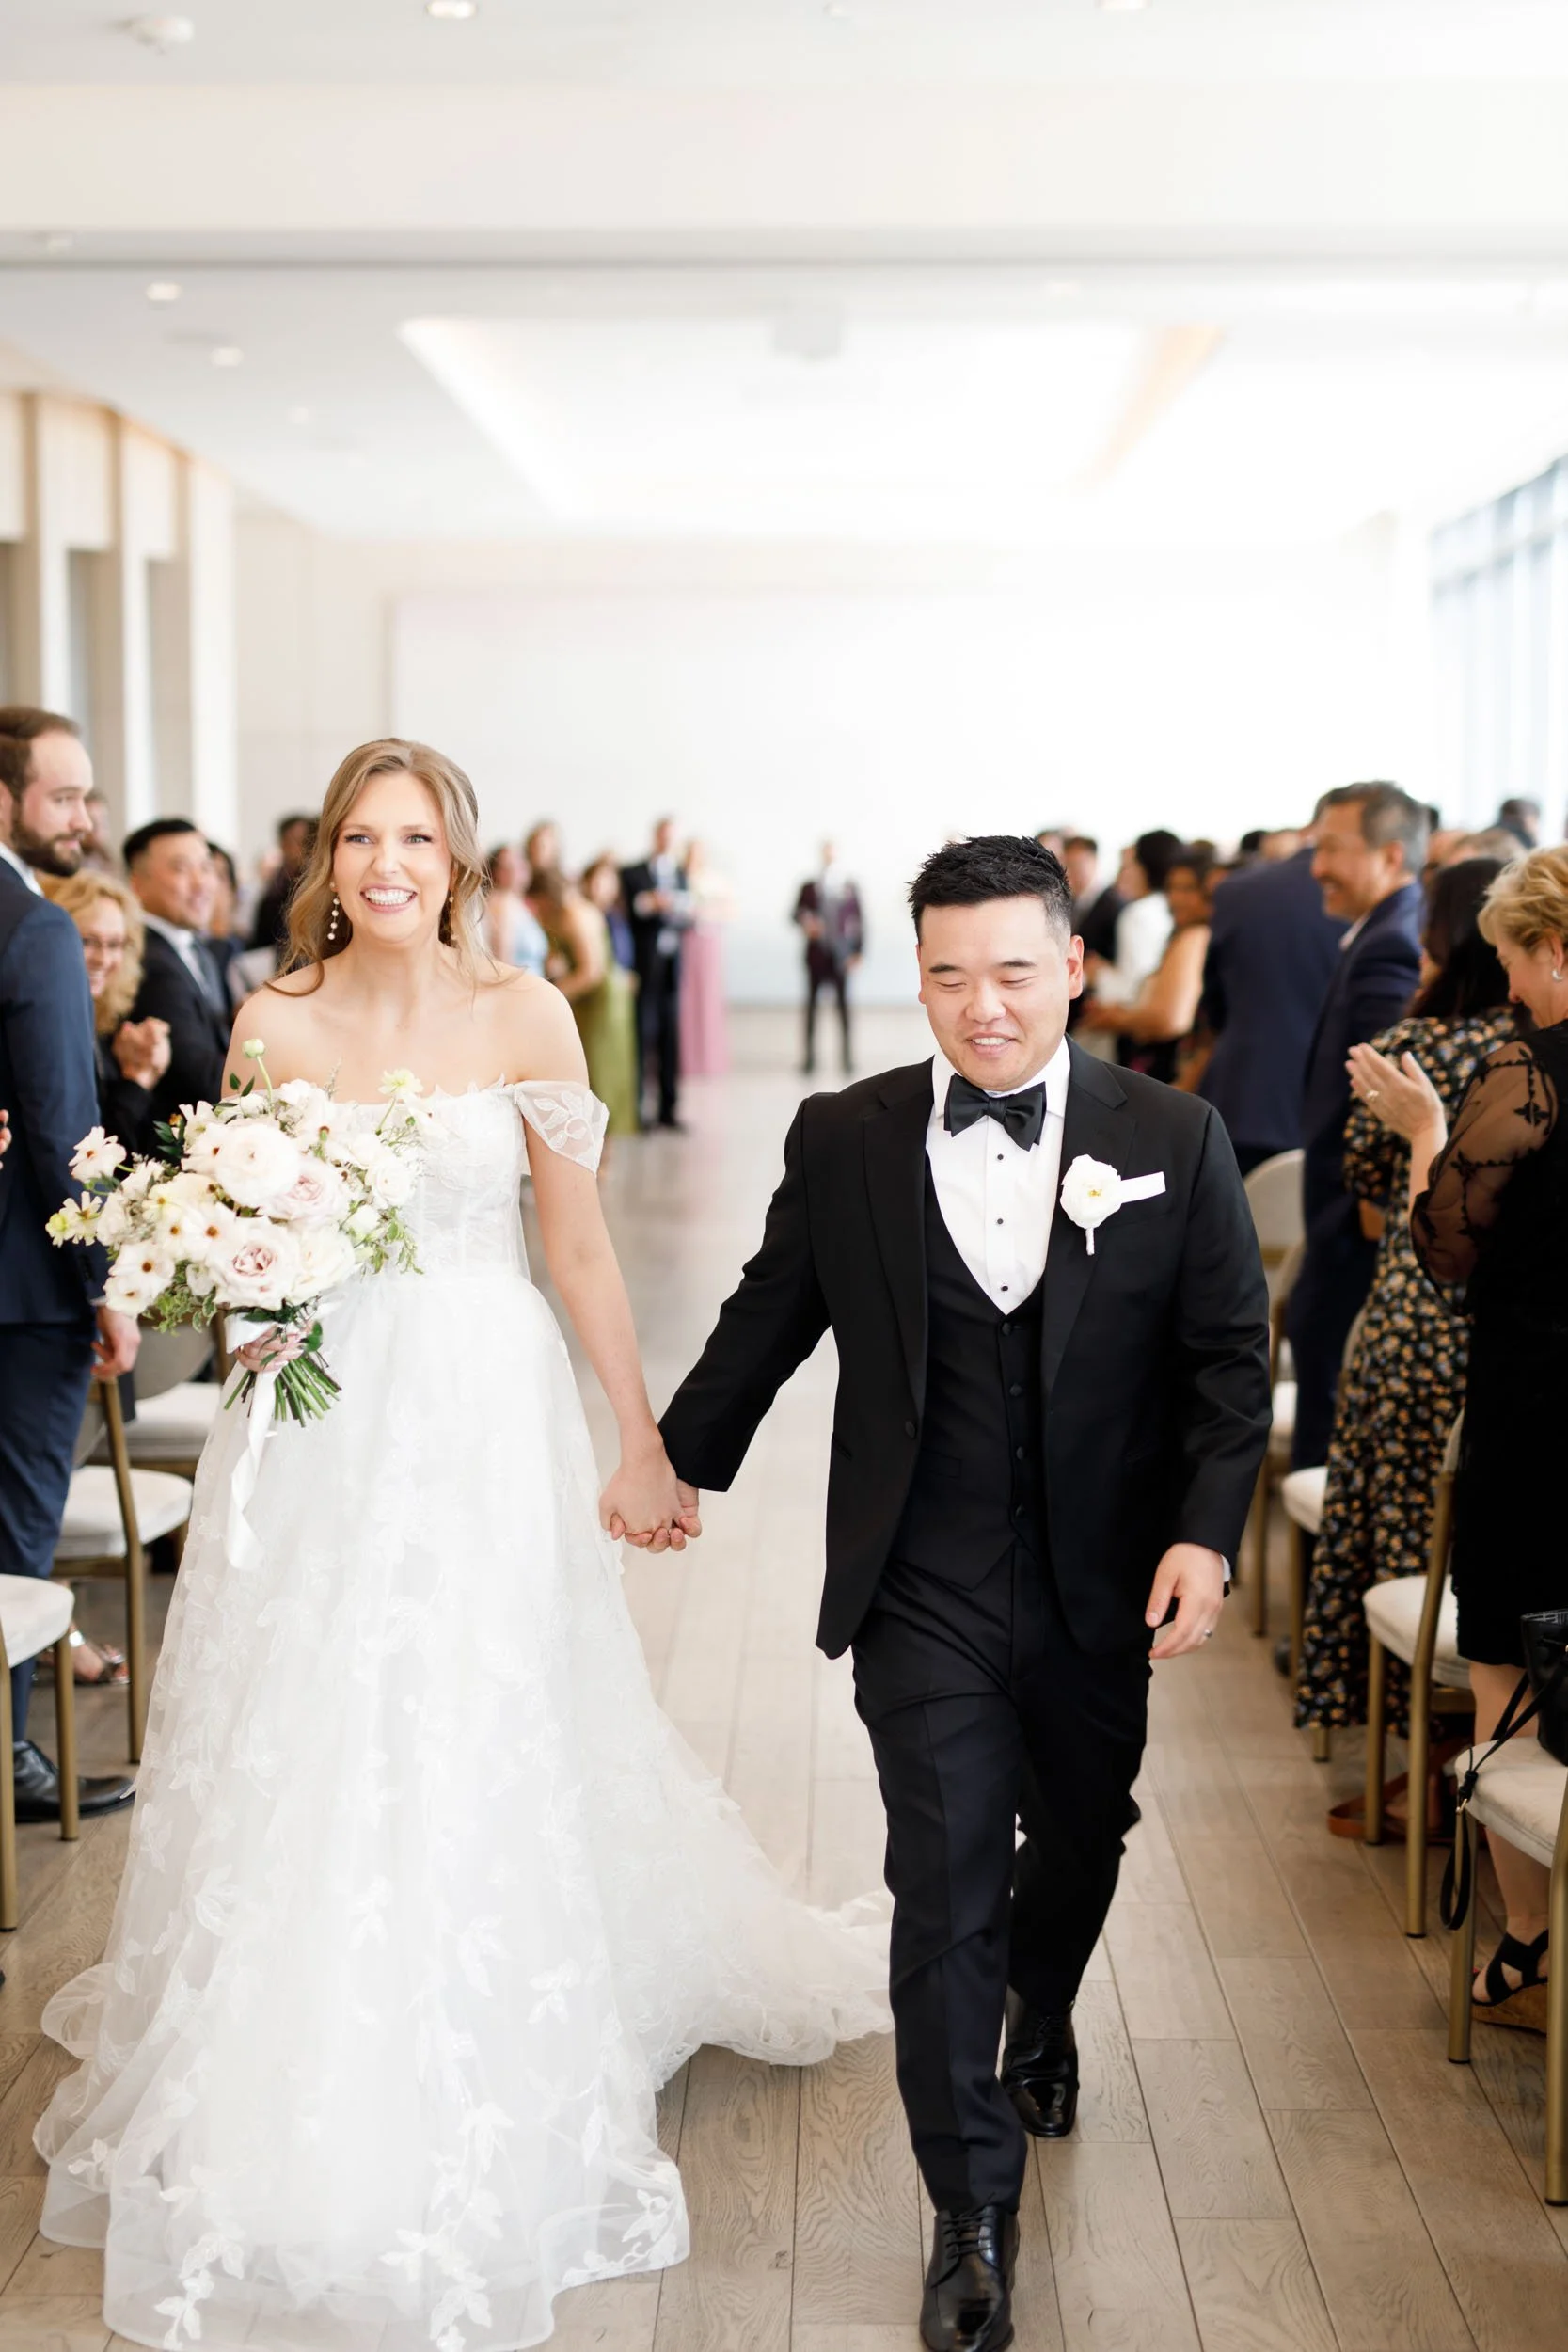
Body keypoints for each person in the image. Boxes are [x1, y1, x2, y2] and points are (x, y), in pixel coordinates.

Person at [34, 737, 887, 2351]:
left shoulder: (523, 1013)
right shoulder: (270, 1020)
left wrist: (641, 1435)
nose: (386, 865)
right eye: (361, 836)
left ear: (460, 856)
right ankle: (295, 2041)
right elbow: (240, 1228)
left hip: (484, 1409)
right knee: (311, 1714)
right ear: (327, 860)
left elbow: (572, 1247)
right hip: (315, 1415)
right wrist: (226, 1287)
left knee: (476, 1701)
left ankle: (486, 2009)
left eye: (414, 837)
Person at [659, 834, 1270, 2352]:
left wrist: (1203, 1534)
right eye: (949, 976)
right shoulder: (846, 1135)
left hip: (1098, 1585)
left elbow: (1222, 1364)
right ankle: (970, 2214)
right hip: (918, 1578)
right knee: (940, 1881)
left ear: (1073, 967)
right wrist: (671, 1463)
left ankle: (1043, 2007)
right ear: (911, 976)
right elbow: (766, 1318)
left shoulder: (1173, 1136)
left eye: (1013, 972)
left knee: (1078, 1838)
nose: (982, 1007)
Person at [1348, 844, 1568, 2028]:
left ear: (1552, 950)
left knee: (1503, 1673)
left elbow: (1443, 1244)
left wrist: (1424, 1124)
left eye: (1510, 964)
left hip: (1539, 1409)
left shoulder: (1524, 1070)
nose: (1510, 989)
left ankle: (1523, 1950)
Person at [1294, 859, 1514, 1742]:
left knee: (1398, 1534)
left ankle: (1412, 1755)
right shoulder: (1534, 1055)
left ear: (1437, 938)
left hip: (1409, 1324)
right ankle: (1490, 1753)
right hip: (1502, 1334)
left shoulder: (1404, 1054)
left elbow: (1373, 1208)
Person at [0, 709, 139, 1824]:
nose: (87, 822)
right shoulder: (33, 926)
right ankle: (10, 1762)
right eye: (64, 798)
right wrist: (102, 1280)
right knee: (10, 1528)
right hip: (22, 1289)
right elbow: (58, 1129)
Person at [1287, 783, 1427, 1472]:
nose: (1316, 866)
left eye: (1332, 849)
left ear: (1391, 853)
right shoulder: (1380, 929)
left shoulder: (1390, 944)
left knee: (1326, 1426)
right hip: (1340, 1222)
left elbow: (1386, 1093)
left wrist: (1366, 1210)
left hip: (1352, 1228)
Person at [1198, 824, 1346, 1175]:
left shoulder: (1237, 891)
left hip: (1247, 1092)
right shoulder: (1371, 897)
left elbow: (1214, 1000)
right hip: (1336, 1104)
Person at [42, 870, 171, 1157]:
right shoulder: (49, 1031)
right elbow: (92, 1155)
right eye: (87, 941)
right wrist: (137, 1081)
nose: (103, 958)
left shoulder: (105, 1021)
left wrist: (139, 1070)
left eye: (115, 945)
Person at [123, 816, 230, 1125]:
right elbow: (200, 1078)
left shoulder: (197, 950)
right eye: (182, 869)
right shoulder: (148, 960)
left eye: (207, 868)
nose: (202, 883)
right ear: (137, 883)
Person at [1079, 847, 1212, 1084]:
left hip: (1166, 1071)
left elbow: (1169, 1019)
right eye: (1172, 888)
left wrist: (1118, 1020)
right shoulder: (1186, 934)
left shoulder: (1195, 936)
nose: (1177, 898)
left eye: (1188, 888)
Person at [532, 855, 641, 1137]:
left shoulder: (572, 914)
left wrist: (553, 996)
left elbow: (590, 972)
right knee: (599, 1069)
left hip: (601, 1000)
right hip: (601, 998)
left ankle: (600, 1145)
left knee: (599, 1071)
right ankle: (601, 1147)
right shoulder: (576, 909)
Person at [1080, 830, 1180, 1059]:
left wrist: (1099, 974)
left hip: (1135, 1029)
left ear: (1146, 867)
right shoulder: (1165, 908)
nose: (1124, 873)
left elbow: (1132, 988)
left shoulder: (1138, 914)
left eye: (1130, 864)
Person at [622, 818, 693, 1130]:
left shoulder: (679, 873)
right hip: (643, 967)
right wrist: (650, 903)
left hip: (671, 969)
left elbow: (688, 914)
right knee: (642, 1036)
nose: (667, 842)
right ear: (655, 836)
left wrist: (678, 909)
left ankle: (668, 1108)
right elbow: (629, 910)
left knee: (669, 1037)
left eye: (672, 838)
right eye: (663, 836)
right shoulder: (633, 872)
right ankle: (640, 1109)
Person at [794, 840, 864, 1078]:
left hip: (841, 956)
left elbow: (860, 921)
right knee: (812, 1008)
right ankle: (809, 1060)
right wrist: (807, 922)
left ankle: (847, 1058)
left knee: (844, 1008)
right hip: (816, 955)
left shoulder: (850, 885)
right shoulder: (809, 887)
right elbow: (795, 914)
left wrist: (858, 952)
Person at [679, 838, 732, 1080]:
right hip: (686, 942)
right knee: (686, 999)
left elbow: (729, 909)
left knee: (708, 999)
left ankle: (709, 1059)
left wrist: (707, 912)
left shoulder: (714, 879)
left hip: (708, 942)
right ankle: (686, 1059)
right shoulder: (678, 876)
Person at [1060, 835, 1121, 1037]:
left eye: (1079, 864)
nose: (1073, 872)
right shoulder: (1072, 901)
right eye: (1068, 864)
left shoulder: (1114, 904)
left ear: (1094, 862)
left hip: (1099, 1001)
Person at [248, 811, 315, 952]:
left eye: (308, 841)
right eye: (297, 841)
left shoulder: (314, 883)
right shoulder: (275, 887)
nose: (304, 848)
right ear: (282, 844)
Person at [484, 841, 550, 976]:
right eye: (507, 865)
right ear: (495, 873)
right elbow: (502, 962)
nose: (516, 869)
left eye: (519, 860)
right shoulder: (503, 903)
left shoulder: (519, 902)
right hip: (520, 991)